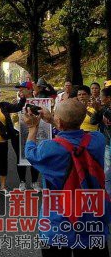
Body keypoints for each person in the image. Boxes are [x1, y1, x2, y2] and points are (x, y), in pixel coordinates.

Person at [25, 99, 111, 256]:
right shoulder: (97, 140)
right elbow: (77, 137)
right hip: (92, 219)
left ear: (58, 121)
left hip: (58, 224)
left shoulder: (49, 148)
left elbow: (30, 152)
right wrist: (53, 119)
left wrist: (32, 127)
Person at [10, 86, 41, 191]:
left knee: (34, 156)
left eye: (23, 89)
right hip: (18, 132)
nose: (20, 91)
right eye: (19, 89)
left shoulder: (38, 102)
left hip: (33, 132)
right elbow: (13, 119)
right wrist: (14, 110)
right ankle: (22, 181)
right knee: (20, 156)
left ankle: (34, 182)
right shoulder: (17, 102)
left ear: (30, 90)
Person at [90, 87, 111, 197]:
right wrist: (98, 110)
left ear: (108, 98)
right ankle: (108, 197)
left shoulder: (105, 110)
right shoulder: (102, 109)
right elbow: (93, 121)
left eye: (102, 97)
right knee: (107, 172)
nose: (100, 99)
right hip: (107, 144)